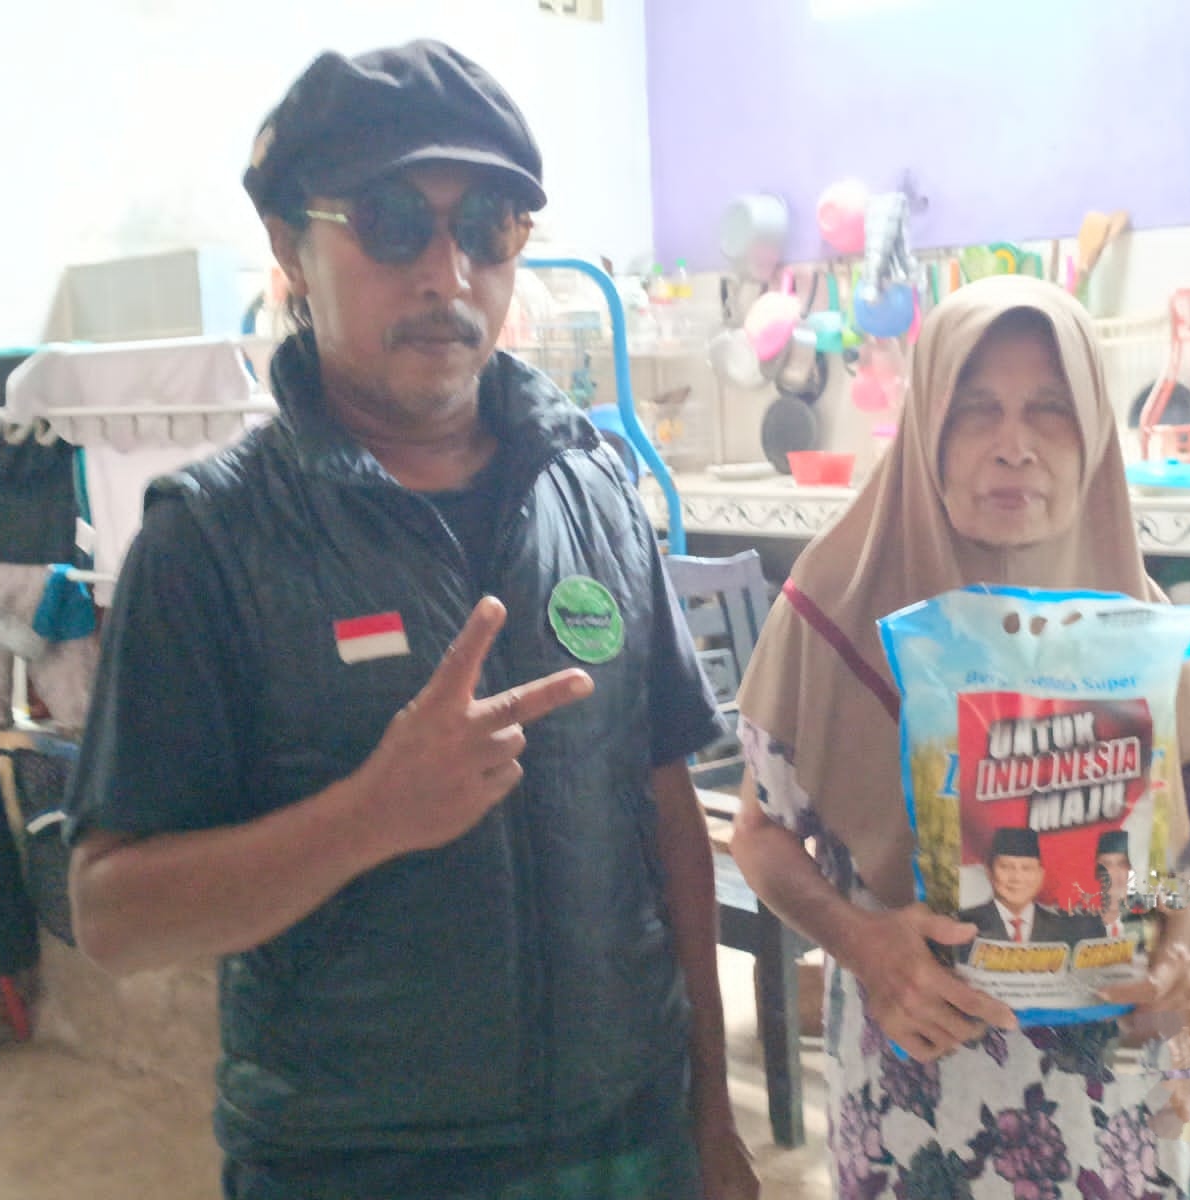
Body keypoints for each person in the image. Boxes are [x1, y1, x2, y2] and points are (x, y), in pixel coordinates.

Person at [63, 40, 757, 1200]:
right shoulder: (211, 542)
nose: (446, 271)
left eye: (487, 226)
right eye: (391, 222)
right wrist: (368, 816)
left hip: (626, 1139)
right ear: (292, 247)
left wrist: (710, 1110)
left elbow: (664, 804)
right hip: (359, 1164)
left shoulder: (595, 492)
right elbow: (112, 916)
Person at [731, 275, 1190, 1198]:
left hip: (1117, 1099)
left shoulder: (1136, 616)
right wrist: (861, 942)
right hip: (917, 1096)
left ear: (1093, 435)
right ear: (927, 431)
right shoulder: (833, 611)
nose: (1014, 446)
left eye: (1050, 409)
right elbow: (759, 835)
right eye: (976, 410)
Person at [956, 827, 1096, 945]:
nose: (1017, 878)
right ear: (989, 872)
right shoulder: (962, 923)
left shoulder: (1066, 928)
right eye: (1006, 867)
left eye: (1027, 868)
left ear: (1041, 875)